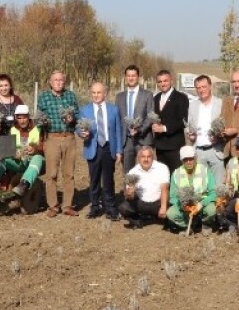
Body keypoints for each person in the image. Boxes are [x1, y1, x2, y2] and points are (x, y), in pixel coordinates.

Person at [78, 81, 124, 220]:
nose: (96, 95)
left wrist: (119, 151)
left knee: (108, 179)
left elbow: (118, 130)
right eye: (93, 93)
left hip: (108, 147)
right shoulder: (84, 110)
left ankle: (110, 207)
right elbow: (78, 127)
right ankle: (95, 206)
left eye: (99, 92)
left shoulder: (113, 109)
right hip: (93, 147)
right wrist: (81, 133)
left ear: (105, 93)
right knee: (94, 179)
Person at [37, 70, 80, 216]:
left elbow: (78, 115)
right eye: (55, 80)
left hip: (69, 137)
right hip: (52, 138)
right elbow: (39, 117)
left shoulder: (70, 96)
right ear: (50, 82)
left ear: (65, 81)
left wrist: (72, 119)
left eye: (61, 80)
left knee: (69, 174)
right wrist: (43, 123)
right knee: (51, 174)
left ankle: (67, 206)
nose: (58, 82)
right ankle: (53, 206)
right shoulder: (44, 98)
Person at [0, 105, 44, 199]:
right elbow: (6, 147)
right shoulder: (11, 129)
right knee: (1, 159)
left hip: (33, 161)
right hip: (17, 161)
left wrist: (34, 148)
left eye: (24, 117)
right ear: (15, 118)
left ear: (28, 117)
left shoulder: (37, 128)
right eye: (19, 118)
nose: (22, 121)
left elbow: (42, 146)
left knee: (38, 158)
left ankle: (24, 185)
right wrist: (13, 153)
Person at [166, 145, 219, 234]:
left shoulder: (205, 171)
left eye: (191, 159)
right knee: (171, 213)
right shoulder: (176, 173)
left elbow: (213, 193)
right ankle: (187, 226)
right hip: (185, 206)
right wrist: (182, 206)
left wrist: (201, 204)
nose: (189, 162)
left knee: (212, 210)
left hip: (202, 203)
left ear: (195, 158)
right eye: (185, 159)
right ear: (181, 160)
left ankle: (205, 224)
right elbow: (173, 197)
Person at [185, 74, 226, 184]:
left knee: (218, 186)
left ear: (210, 86)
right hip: (198, 151)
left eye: (204, 87)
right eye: (198, 88)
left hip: (216, 150)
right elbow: (189, 126)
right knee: (201, 186)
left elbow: (226, 126)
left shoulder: (220, 104)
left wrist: (219, 136)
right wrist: (190, 135)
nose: (201, 90)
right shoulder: (193, 105)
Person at [115, 64, 154, 173]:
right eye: (128, 76)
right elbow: (117, 119)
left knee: (147, 171)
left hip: (143, 139)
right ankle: (128, 191)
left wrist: (140, 129)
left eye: (133, 75)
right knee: (128, 174)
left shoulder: (147, 95)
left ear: (138, 77)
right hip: (126, 141)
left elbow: (150, 116)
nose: (131, 78)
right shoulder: (119, 97)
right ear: (125, 77)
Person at [121, 145, 169, 229]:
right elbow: (129, 196)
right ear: (139, 158)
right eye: (143, 157)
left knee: (170, 212)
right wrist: (130, 193)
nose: (146, 159)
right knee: (124, 208)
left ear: (153, 157)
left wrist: (163, 207)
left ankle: (151, 218)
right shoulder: (132, 172)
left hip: (157, 203)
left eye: (149, 157)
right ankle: (142, 220)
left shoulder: (162, 168)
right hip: (141, 204)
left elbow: (164, 188)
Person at [151, 69, 189, 173]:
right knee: (163, 177)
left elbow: (183, 121)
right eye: (160, 81)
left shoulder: (181, 98)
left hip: (174, 146)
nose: (163, 84)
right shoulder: (155, 98)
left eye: (165, 80)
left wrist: (164, 128)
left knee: (176, 177)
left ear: (171, 80)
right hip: (159, 146)